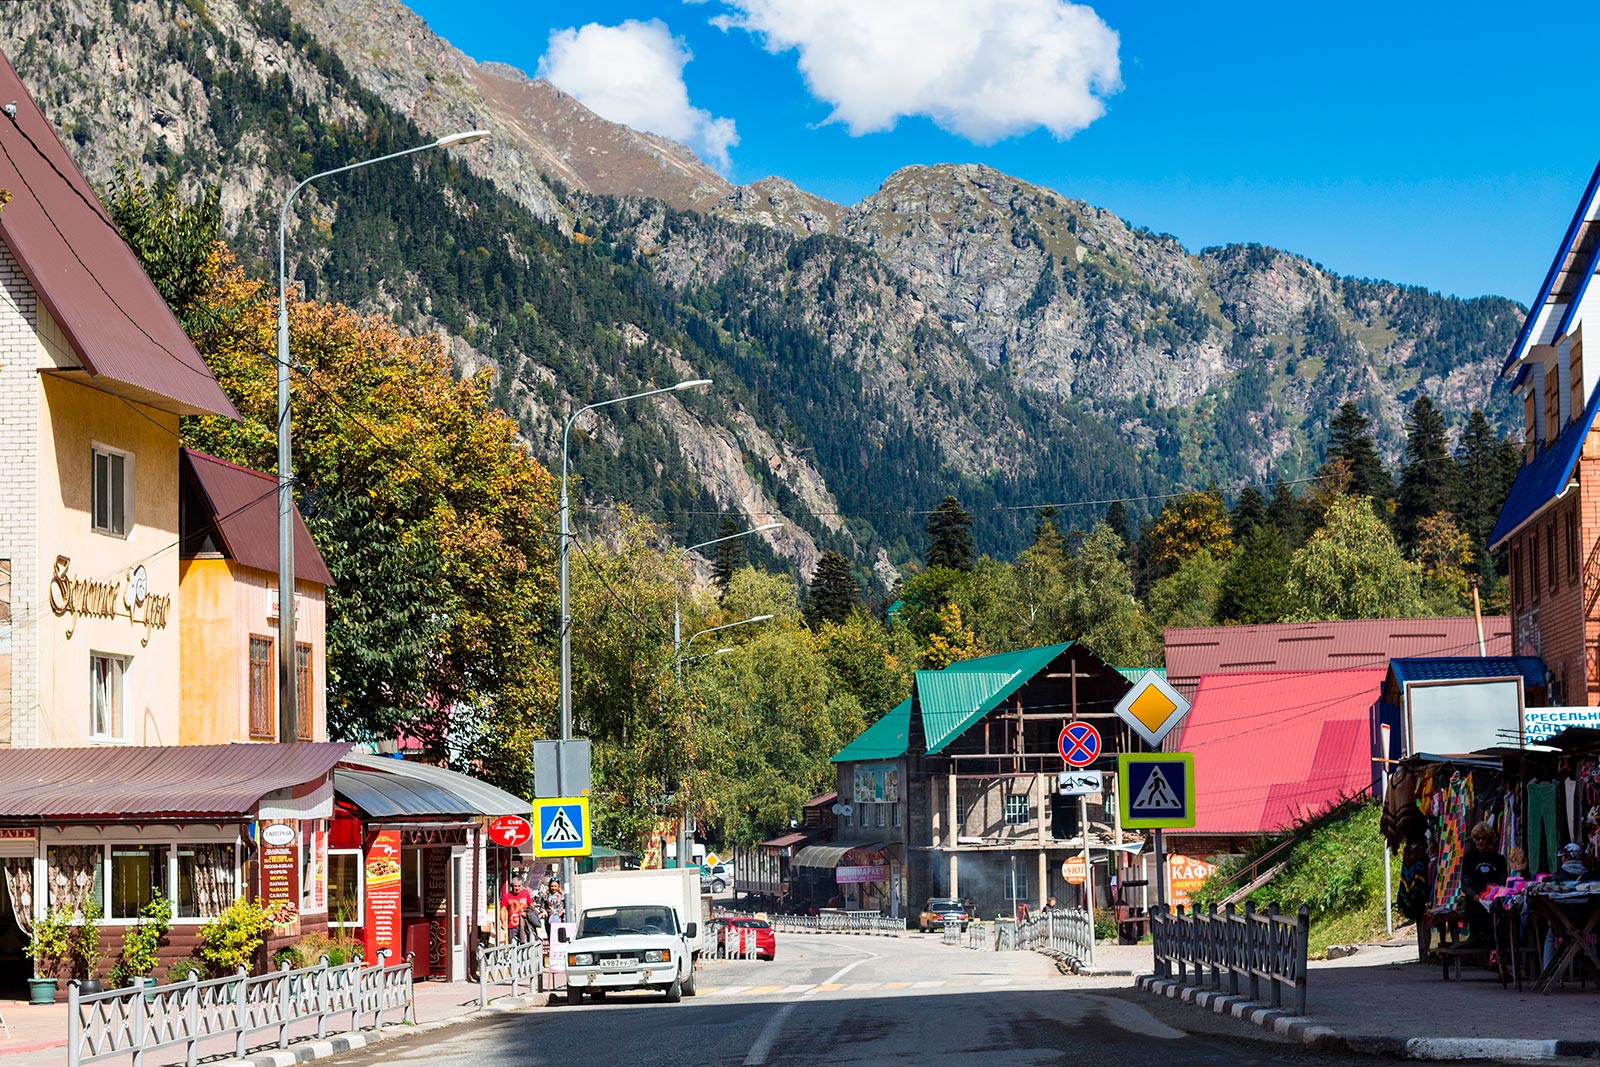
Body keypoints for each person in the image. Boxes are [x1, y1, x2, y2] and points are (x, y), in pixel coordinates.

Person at [1461, 822, 1507, 945]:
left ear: (1489, 839)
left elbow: (1503, 881)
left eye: (1483, 838)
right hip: (1475, 902)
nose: (1480, 841)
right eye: (1477, 838)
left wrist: (1495, 895)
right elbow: (1465, 885)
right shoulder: (1468, 859)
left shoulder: (1499, 859)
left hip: (1494, 901)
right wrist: (1478, 898)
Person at [500, 874, 536, 944]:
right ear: (511, 886)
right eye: (515, 886)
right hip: (512, 925)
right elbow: (503, 910)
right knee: (513, 944)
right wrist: (503, 922)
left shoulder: (525, 894)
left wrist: (528, 913)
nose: (517, 888)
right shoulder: (506, 896)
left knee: (525, 943)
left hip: (524, 924)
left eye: (519, 886)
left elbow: (532, 906)